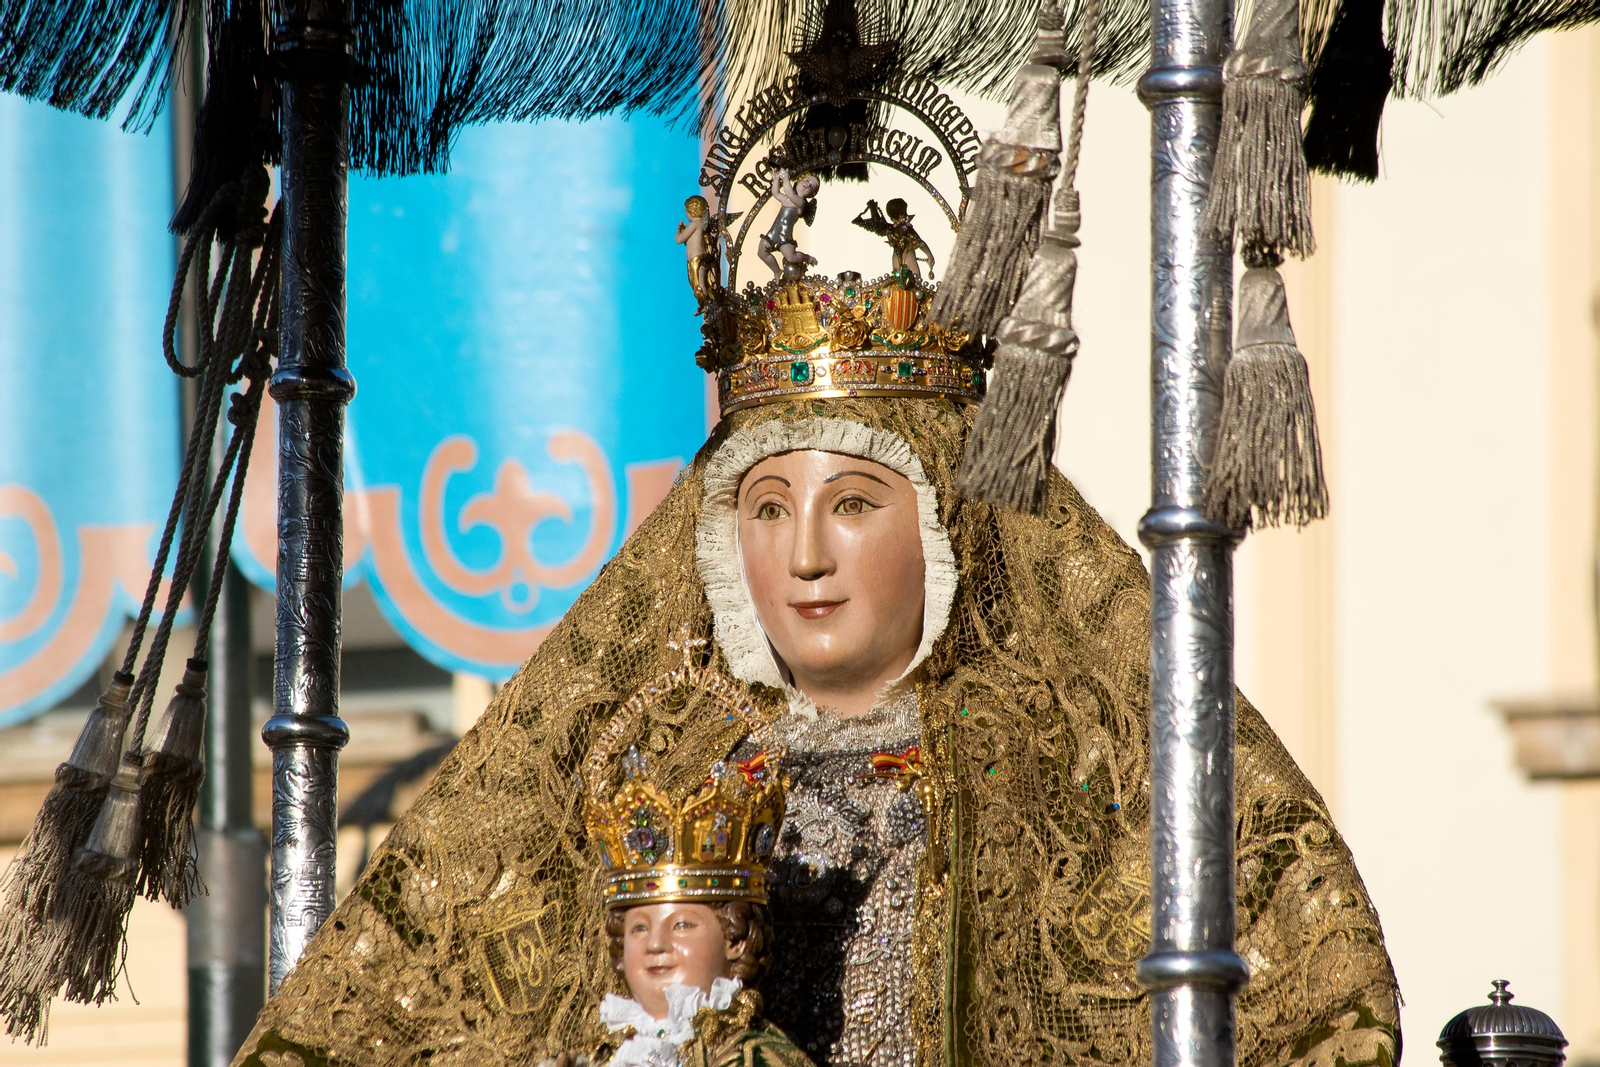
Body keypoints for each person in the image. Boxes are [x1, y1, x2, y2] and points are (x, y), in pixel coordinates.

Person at [232, 77, 1400, 1067]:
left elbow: (1308, 988)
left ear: (946, 529)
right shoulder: (643, 764)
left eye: (852, 505)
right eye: (765, 506)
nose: (802, 556)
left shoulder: (1064, 766)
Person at [580, 742, 810, 1067]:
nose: (656, 944)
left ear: (736, 940)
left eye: (682, 925)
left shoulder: (754, 1057)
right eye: (639, 928)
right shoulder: (609, 1055)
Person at [756, 170, 819, 282]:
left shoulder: (800, 203)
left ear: (811, 194)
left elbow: (789, 193)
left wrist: (785, 179)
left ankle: (806, 258)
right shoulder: (786, 200)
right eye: (807, 180)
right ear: (799, 180)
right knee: (762, 252)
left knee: (791, 257)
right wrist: (775, 180)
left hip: (785, 236)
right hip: (773, 233)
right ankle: (777, 271)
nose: (808, 185)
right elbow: (775, 193)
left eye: (811, 187)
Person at [851, 198, 934, 280]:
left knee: (899, 287)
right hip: (908, 258)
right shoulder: (906, 228)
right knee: (915, 285)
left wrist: (873, 208)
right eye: (905, 212)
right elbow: (919, 242)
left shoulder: (890, 228)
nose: (906, 215)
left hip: (896, 261)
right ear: (902, 213)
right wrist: (929, 255)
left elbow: (878, 223)